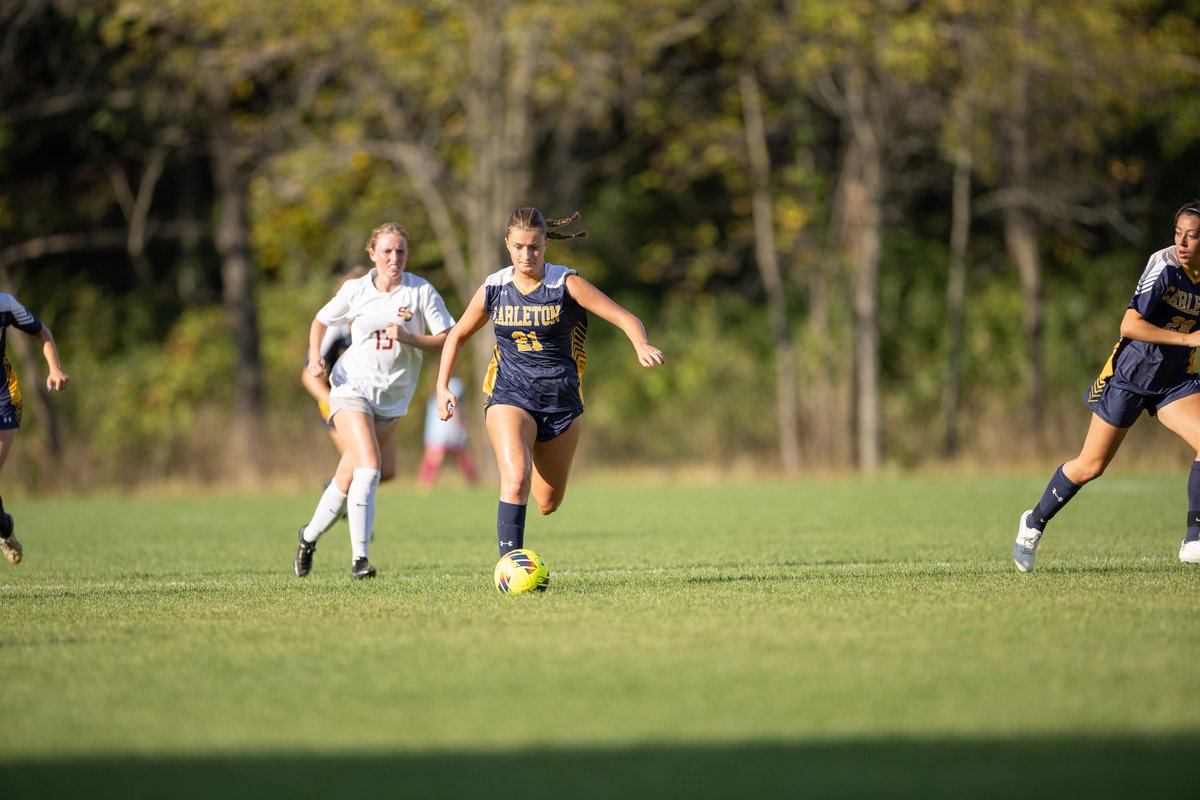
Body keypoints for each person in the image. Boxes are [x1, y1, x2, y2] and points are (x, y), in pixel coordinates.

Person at [434, 208, 665, 559]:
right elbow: (457, 335)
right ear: (507, 245)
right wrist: (442, 385)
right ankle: (510, 566)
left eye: (535, 247)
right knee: (515, 479)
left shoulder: (566, 284)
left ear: (546, 245)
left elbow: (624, 316)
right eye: (518, 247)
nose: (527, 255)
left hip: (561, 401)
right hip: (509, 395)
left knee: (547, 503)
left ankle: (527, 529)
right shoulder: (494, 288)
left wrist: (640, 343)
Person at [1015, 200, 1200, 571]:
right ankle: (1033, 523)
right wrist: (1189, 340)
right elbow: (1129, 325)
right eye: (1178, 233)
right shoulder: (1163, 265)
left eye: (1192, 236)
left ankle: (1194, 536)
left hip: (1174, 381)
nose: (1182, 242)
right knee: (1090, 465)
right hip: (1131, 375)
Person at [294, 223, 454, 579]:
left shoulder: (421, 291)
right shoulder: (356, 289)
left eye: (400, 252)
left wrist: (413, 339)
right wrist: (315, 356)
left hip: (393, 398)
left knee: (347, 478)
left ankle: (308, 536)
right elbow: (320, 321)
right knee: (370, 467)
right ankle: (359, 560)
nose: (394, 258)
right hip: (352, 388)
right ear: (372, 254)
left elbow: (447, 338)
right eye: (386, 251)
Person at [300, 267, 397, 482]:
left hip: (375, 400)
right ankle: (339, 494)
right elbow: (308, 377)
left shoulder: (382, 325)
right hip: (342, 400)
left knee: (387, 470)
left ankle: (335, 489)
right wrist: (332, 402)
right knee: (364, 467)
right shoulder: (337, 329)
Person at [0, 293, 70, 565]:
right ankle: (5, 528)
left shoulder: (4, 305)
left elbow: (42, 332)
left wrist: (55, 369)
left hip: (4, 399)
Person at [416, 375, 478, 491]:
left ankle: (425, 485)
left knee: (457, 456)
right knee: (439, 457)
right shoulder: (455, 385)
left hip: (440, 429)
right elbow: (455, 406)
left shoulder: (439, 388)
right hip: (445, 428)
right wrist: (461, 425)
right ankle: (473, 483)